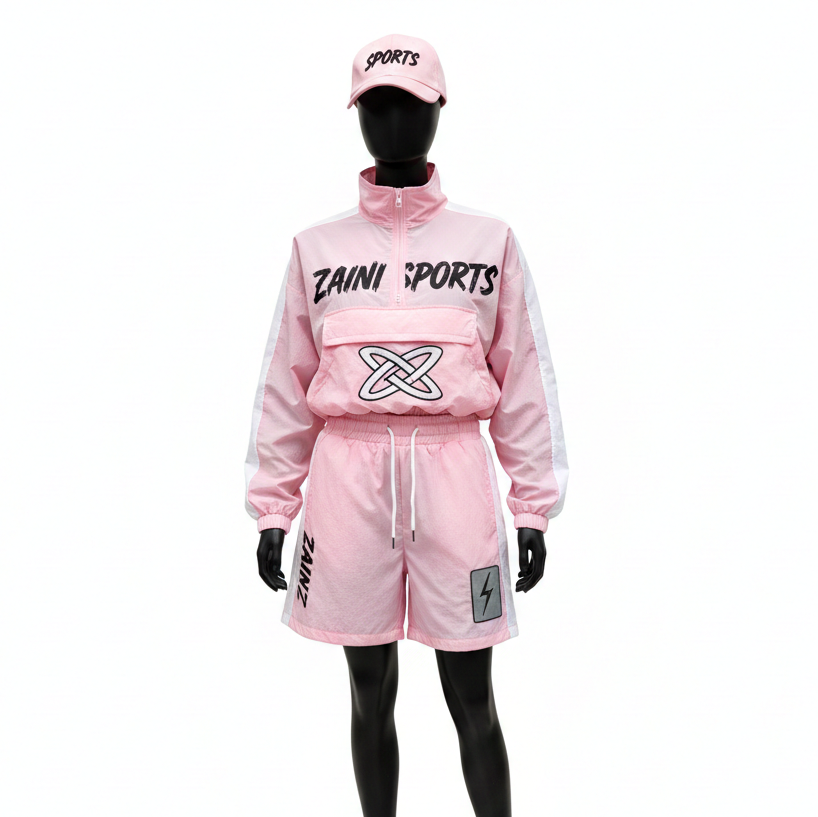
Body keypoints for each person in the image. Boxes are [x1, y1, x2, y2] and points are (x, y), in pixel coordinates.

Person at [244, 33, 568, 817]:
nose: (393, 124)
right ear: (357, 115)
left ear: (438, 110)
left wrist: (532, 505)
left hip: (456, 482)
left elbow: (523, 378)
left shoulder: (488, 242)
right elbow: (286, 385)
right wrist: (273, 508)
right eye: (377, 107)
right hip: (347, 484)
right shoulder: (317, 249)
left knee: (473, 692)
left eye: (410, 106)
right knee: (368, 690)